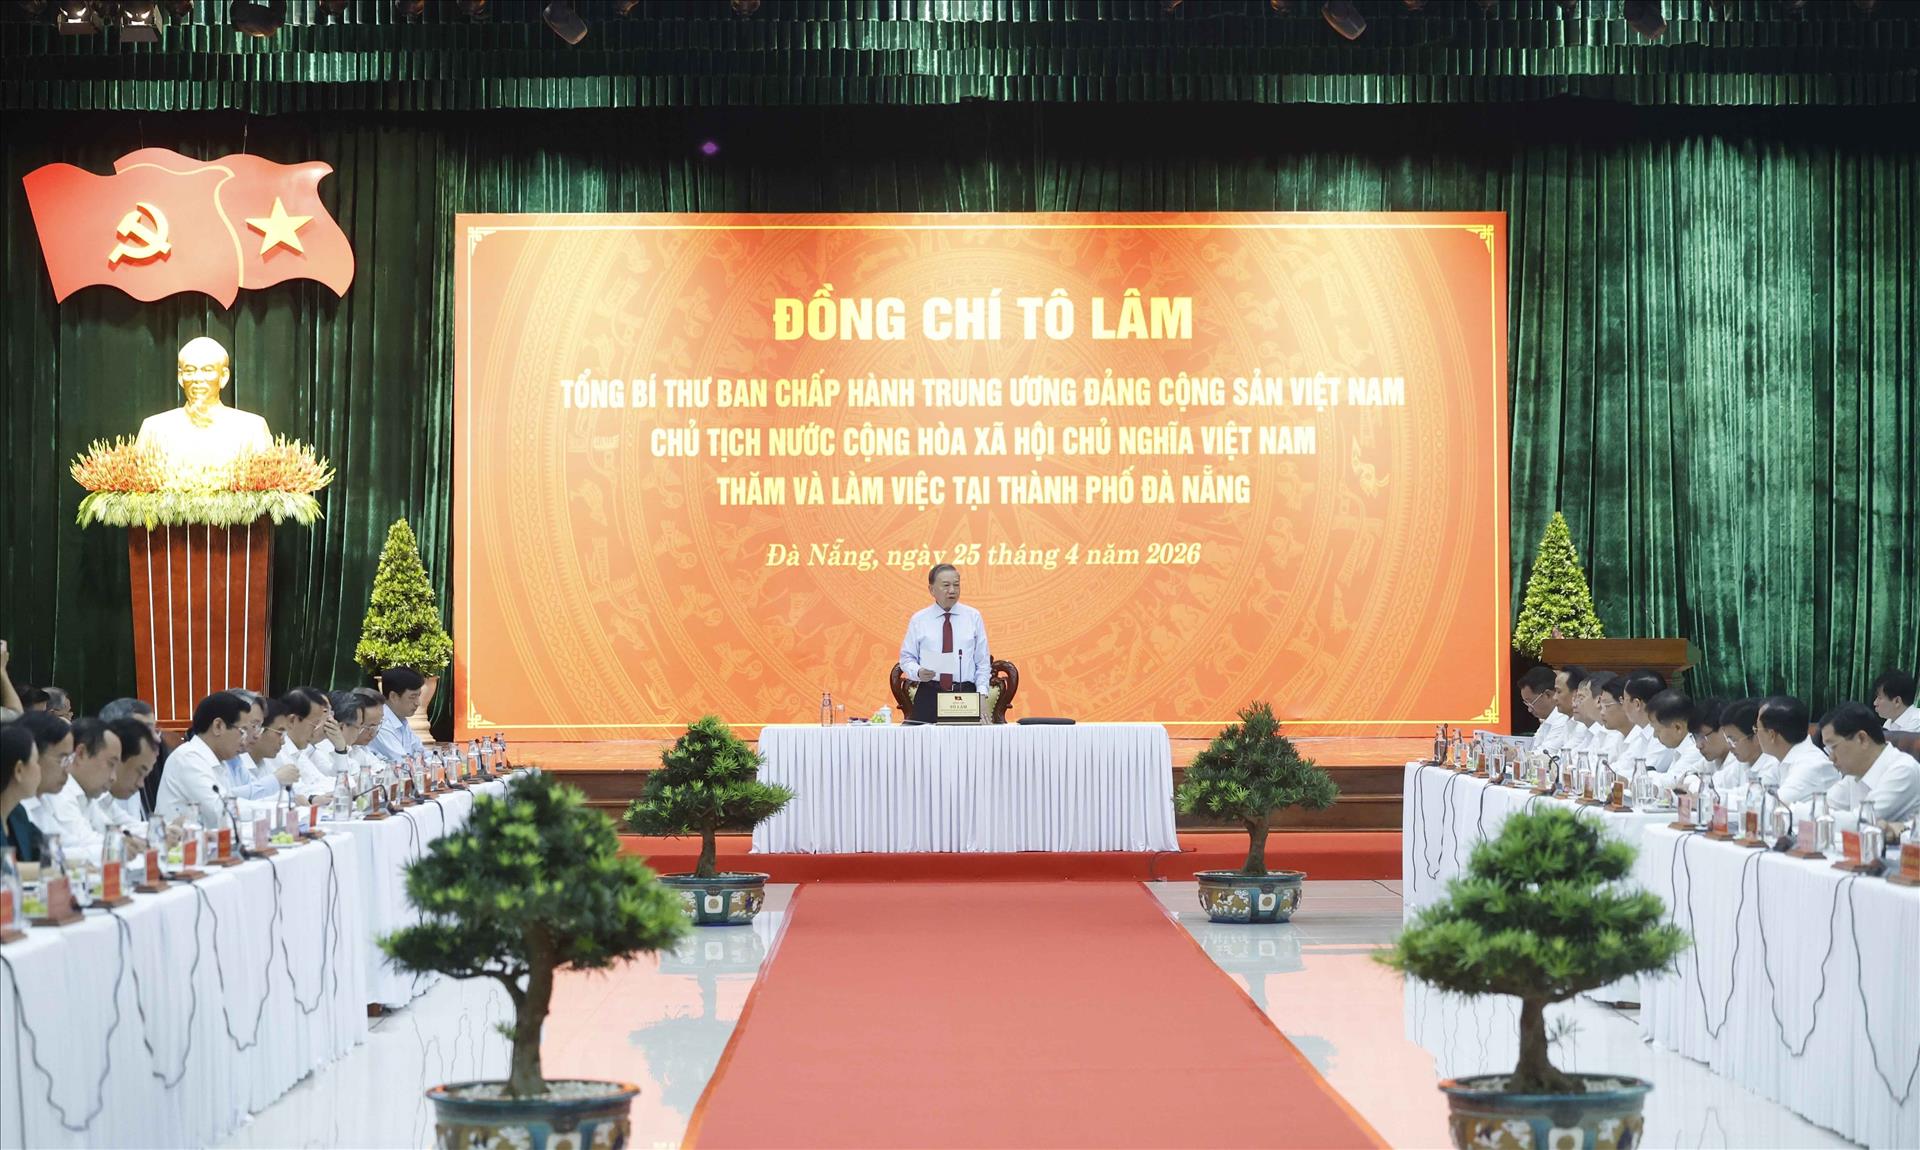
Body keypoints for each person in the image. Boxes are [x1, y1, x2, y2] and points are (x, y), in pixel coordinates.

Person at [135, 335, 273, 480]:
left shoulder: (252, 429)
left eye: (207, 370)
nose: (198, 378)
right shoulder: (154, 429)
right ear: (180, 377)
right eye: (190, 371)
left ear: (223, 376)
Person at [898, 564, 991, 723]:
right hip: (929, 693)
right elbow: (906, 658)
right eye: (946, 585)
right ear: (932, 589)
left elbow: (982, 662)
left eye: (956, 585)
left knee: (966, 739)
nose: (952, 590)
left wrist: (982, 695)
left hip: (964, 695)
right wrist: (918, 672)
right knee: (919, 739)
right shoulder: (919, 619)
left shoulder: (973, 617)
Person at [155, 691, 254, 826]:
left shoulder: (219, 762)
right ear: (218, 726)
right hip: (179, 838)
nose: (244, 741)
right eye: (242, 731)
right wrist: (269, 808)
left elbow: (230, 805)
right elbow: (220, 812)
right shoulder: (188, 759)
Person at [1817, 702, 1920, 829]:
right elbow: (1823, 806)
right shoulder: (1856, 772)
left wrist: (1815, 815)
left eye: (1833, 747)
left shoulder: (1903, 770)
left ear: (1862, 739)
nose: (1831, 758)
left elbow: (1862, 821)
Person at [37, 716, 119, 862]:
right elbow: (55, 856)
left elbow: (64, 847)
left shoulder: (85, 794)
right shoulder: (60, 793)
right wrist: (119, 847)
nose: (67, 767)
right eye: (62, 759)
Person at [1756, 694, 1838, 804]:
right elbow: (1756, 791)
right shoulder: (1780, 757)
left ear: (1772, 735)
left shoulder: (1811, 764)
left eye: (1756, 729)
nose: (1756, 734)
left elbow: (1772, 805)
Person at [0, 724, 45, 863]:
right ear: (18, 770)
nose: (40, 769)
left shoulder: (18, 813)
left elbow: (46, 853)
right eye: (36, 761)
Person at [106, 718, 161, 826]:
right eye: (139, 772)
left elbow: (130, 826)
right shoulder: (83, 795)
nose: (141, 784)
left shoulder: (105, 799)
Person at [369, 667, 429, 763]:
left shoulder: (401, 719)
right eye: (412, 697)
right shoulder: (381, 724)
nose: (418, 703)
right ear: (393, 696)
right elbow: (403, 764)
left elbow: (423, 753)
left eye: (418, 696)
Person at [1715, 699, 1770, 793]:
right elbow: (1714, 781)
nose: (1729, 747)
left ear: (1757, 737)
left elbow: (1751, 795)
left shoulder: (1772, 765)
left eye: (1733, 740)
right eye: (1728, 740)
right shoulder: (1743, 762)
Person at [1587, 674, 1633, 772]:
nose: (1602, 712)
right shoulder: (1618, 735)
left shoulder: (1640, 738)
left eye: (1607, 706)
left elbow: (1612, 771)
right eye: (1602, 706)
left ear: (1624, 704)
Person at [1518, 666, 1566, 746]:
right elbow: (1533, 747)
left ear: (1548, 694)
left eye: (1531, 702)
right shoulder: (1546, 720)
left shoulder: (1562, 718)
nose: (1529, 709)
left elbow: (1546, 751)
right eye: (1526, 703)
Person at [1871, 669, 1919, 734]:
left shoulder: (1917, 722)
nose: (1875, 703)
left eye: (1880, 698)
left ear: (1897, 701)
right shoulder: (1890, 721)